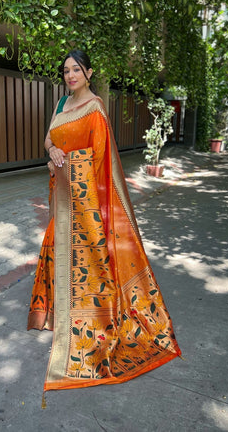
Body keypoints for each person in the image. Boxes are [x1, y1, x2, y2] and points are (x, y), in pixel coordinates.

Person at [27, 50, 181, 393]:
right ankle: (54, 315)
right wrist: (51, 152)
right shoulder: (60, 105)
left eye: (76, 70)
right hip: (60, 196)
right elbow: (48, 138)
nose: (70, 75)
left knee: (90, 260)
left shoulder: (95, 108)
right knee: (55, 246)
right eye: (65, 70)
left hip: (84, 200)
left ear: (89, 72)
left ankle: (96, 320)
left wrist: (76, 177)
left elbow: (99, 160)